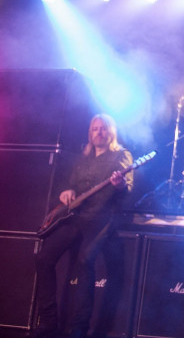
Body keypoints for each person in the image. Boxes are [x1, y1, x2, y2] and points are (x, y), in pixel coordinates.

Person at [32, 114, 133, 338]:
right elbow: (71, 185)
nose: (99, 132)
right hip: (76, 217)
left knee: (85, 262)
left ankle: (79, 329)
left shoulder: (121, 155)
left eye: (103, 128)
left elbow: (127, 189)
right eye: (95, 129)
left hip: (102, 218)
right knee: (43, 258)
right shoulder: (84, 157)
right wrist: (67, 191)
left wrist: (120, 184)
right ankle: (48, 322)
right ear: (90, 133)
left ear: (111, 132)